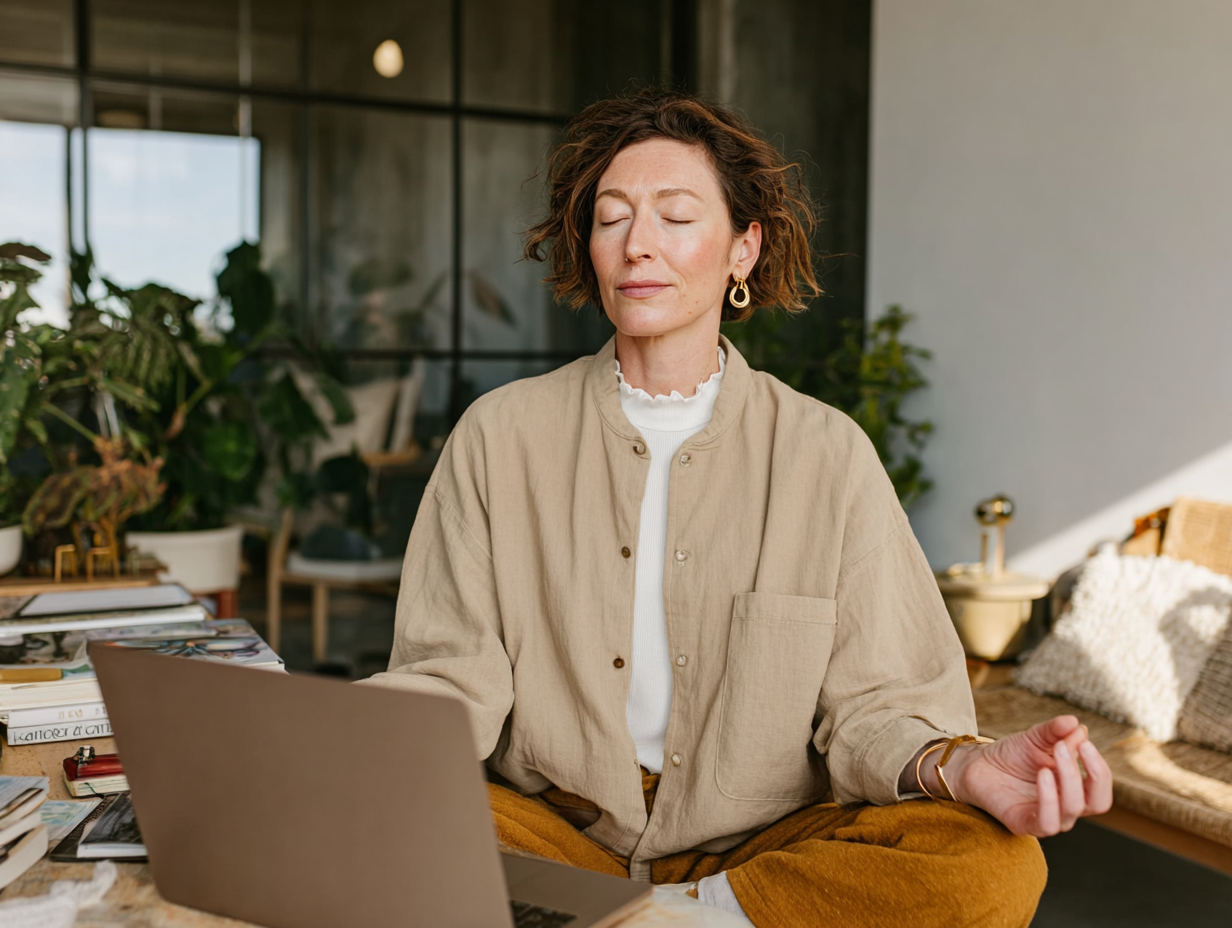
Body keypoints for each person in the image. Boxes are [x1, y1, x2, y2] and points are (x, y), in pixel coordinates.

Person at [364, 89, 1112, 928]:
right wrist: (340, 754)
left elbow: (879, 707)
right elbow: (448, 679)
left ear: (743, 249)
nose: (637, 245)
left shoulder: (827, 455)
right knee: (379, 826)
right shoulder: (500, 436)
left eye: (676, 217)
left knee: (988, 866)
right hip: (556, 831)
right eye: (611, 219)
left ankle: (681, 913)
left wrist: (960, 769)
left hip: (763, 848)